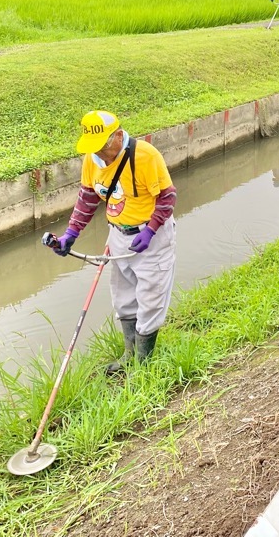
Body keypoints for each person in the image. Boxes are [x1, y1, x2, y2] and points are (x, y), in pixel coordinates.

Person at [51, 110, 178, 373]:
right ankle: (130, 356)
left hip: (150, 239)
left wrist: (151, 229)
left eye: (101, 148)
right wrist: (70, 234)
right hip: (119, 236)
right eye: (92, 149)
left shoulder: (146, 156)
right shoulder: (91, 160)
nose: (97, 155)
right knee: (124, 298)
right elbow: (88, 198)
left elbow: (167, 198)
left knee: (150, 299)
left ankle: (144, 365)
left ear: (118, 137)